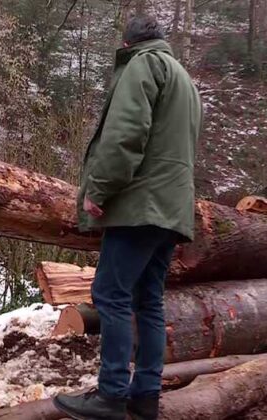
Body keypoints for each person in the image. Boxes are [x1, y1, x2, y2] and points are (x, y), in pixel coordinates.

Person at [54, 15, 203, 420]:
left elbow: (126, 134)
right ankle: (145, 396)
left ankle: (111, 395)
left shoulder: (142, 64)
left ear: (128, 42)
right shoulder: (185, 81)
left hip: (140, 206)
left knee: (110, 295)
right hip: (172, 209)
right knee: (149, 301)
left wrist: (99, 189)